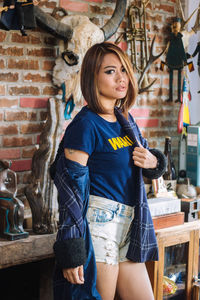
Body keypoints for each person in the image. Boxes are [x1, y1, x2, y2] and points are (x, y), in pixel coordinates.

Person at [51, 42, 166, 300]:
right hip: (100, 225)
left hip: (128, 224)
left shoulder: (125, 119)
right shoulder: (85, 125)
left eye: (123, 70)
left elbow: (147, 157)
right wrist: (72, 251)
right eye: (111, 71)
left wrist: (153, 162)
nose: (121, 78)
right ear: (93, 76)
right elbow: (70, 193)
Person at [165, 17, 187, 102]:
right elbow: (169, 49)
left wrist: (184, 60)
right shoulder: (171, 38)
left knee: (178, 81)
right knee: (170, 81)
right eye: (174, 25)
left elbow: (182, 50)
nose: (175, 28)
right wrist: (167, 59)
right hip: (171, 60)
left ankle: (178, 97)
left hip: (178, 61)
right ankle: (170, 97)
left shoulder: (179, 38)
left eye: (177, 26)